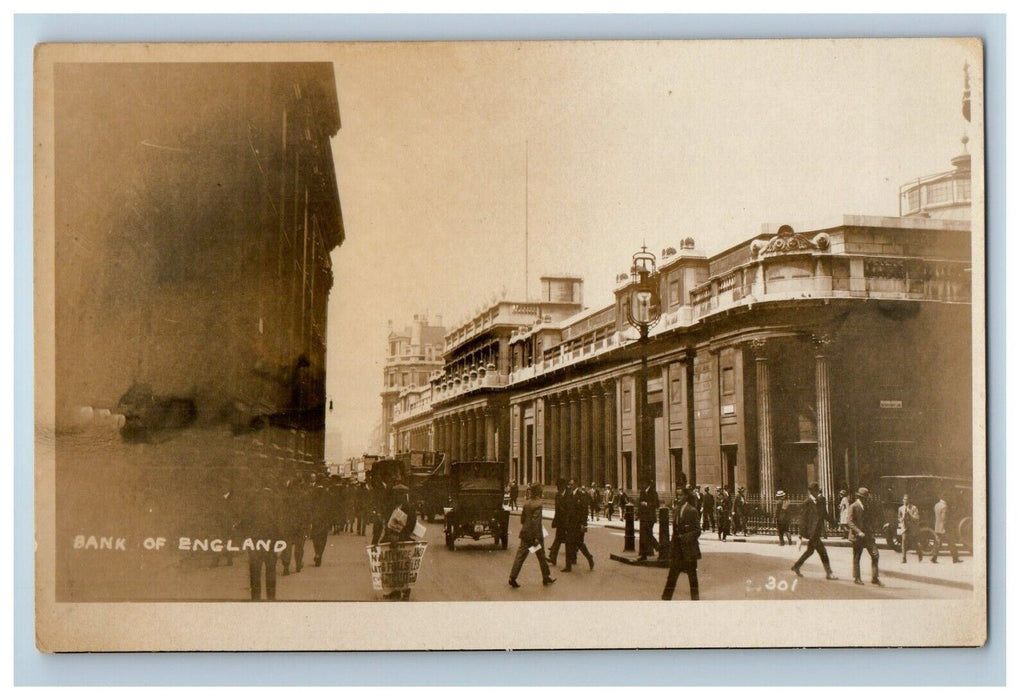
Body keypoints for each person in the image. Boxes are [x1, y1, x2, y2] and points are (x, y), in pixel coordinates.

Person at [240, 474, 281, 601]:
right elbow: (281, 522)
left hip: (255, 541)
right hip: (271, 541)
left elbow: (245, 519)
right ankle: (271, 598)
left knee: (255, 571)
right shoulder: (277, 499)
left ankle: (256, 599)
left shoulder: (253, 499)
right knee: (270, 570)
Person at [509, 483, 557, 588]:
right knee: (541, 556)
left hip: (525, 533)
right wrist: (535, 538)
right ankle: (546, 577)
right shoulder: (539, 504)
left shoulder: (526, 503)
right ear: (538, 492)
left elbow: (522, 520)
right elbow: (536, 522)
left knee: (520, 556)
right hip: (535, 536)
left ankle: (512, 577)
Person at [791, 482, 838, 580]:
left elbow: (825, 514)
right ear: (811, 492)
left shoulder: (820, 501)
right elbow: (803, 519)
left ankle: (796, 566)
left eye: (817, 490)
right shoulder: (807, 502)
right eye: (814, 491)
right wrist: (801, 534)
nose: (816, 492)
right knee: (823, 552)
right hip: (812, 533)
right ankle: (829, 573)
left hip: (817, 531)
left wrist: (834, 523)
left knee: (810, 551)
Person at [380, 483, 419, 600]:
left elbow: (411, 525)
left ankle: (406, 590)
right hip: (391, 540)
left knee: (404, 566)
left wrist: (400, 536)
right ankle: (395, 590)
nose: (397, 497)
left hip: (403, 540)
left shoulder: (409, 508)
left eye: (399, 495)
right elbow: (387, 523)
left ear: (404, 495)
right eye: (396, 494)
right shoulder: (392, 507)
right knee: (392, 565)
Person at [662, 490, 702, 600]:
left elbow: (698, 531)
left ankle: (695, 600)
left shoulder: (692, 510)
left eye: (680, 495)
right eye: (677, 495)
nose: (678, 497)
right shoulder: (676, 510)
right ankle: (665, 599)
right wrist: (672, 548)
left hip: (689, 550)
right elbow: (675, 531)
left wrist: (685, 537)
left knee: (692, 578)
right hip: (677, 551)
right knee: (671, 577)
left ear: (686, 496)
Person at [848, 487, 881, 585]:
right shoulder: (853, 506)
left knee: (875, 554)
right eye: (865, 498)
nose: (866, 499)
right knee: (857, 557)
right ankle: (857, 578)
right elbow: (849, 522)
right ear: (860, 497)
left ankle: (874, 578)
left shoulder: (867, 507)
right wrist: (858, 532)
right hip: (858, 536)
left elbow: (870, 521)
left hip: (868, 536)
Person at [563, 479, 595, 571]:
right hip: (570, 524)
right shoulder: (569, 494)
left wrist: (583, 524)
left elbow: (584, 511)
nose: (570, 486)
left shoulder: (581, 495)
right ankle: (568, 566)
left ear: (576, 484)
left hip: (577, 524)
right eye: (570, 484)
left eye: (572, 484)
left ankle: (589, 558)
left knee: (579, 543)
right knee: (568, 544)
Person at [931, 493, 963, 564]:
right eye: (947, 496)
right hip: (944, 528)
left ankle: (934, 557)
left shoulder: (936, 505)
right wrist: (948, 525)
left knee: (938, 543)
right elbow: (944, 518)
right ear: (944, 497)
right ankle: (955, 558)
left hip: (937, 527)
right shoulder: (944, 506)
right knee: (951, 543)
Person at [547, 478, 569, 566]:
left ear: (563, 486)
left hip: (568, 522)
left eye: (559, 486)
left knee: (576, 542)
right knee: (558, 539)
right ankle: (553, 558)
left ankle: (589, 558)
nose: (557, 488)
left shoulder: (569, 495)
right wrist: (555, 521)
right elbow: (557, 510)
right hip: (560, 522)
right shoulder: (557, 495)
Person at [637, 478, 659, 561]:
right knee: (644, 536)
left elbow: (656, 504)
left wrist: (647, 504)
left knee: (647, 534)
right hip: (643, 517)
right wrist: (638, 514)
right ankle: (644, 554)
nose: (642, 484)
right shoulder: (642, 492)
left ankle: (657, 546)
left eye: (644, 483)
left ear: (648, 484)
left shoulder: (653, 492)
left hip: (650, 517)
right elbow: (639, 503)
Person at [897, 493, 923, 563]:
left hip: (912, 528)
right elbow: (899, 518)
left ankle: (920, 553)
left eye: (907, 499)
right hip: (905, 528)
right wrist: (901, 519)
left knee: (914, 542)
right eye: (904, 499)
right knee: (904, 541)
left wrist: (910, 515)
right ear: (902, 500)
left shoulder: (914, 508)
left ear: (909, 500)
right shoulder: (900, 508)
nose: (905, 501)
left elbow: (917, 518)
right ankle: (904, 558)